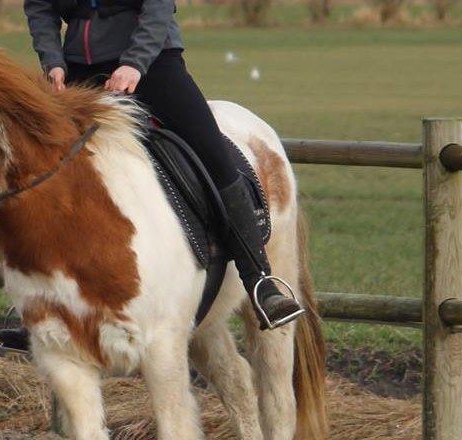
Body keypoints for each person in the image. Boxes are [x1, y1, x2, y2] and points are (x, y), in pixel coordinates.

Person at [21, 0, 304, 330]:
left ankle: (260, 280)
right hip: (78, 72)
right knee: (45, 170)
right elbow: (39, 6)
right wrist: (52, 61)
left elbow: (157, 8)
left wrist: (134, 64)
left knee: (214, 154)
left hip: (152, 63)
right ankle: (47, 297)